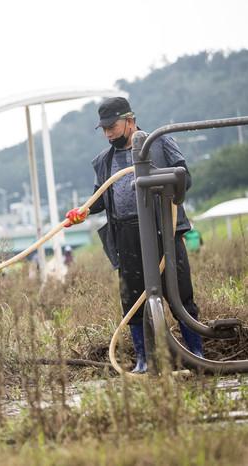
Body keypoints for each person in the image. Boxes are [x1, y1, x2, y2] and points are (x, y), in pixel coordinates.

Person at [64, 97, 203, 373]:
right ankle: (144, 359)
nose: (108, 134)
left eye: (112, 127)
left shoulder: (159, 143)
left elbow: (184, 179)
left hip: (163, 227)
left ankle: (196, 353)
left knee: (180, 293)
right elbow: (100, 197)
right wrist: (83, 210)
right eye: (104, 129)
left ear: (130, 121)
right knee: (132, 300)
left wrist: (159, 181)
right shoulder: (104, 161)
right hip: (126, 235)